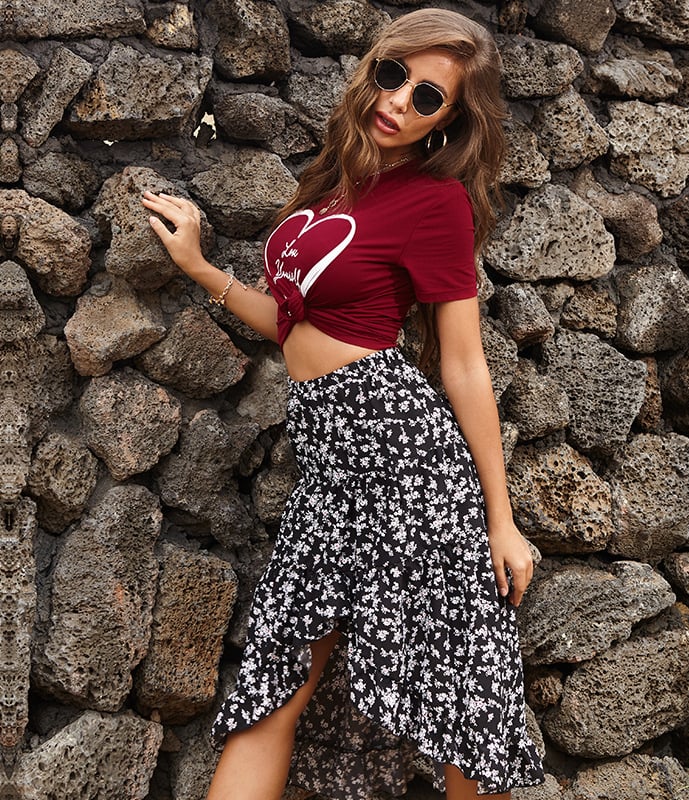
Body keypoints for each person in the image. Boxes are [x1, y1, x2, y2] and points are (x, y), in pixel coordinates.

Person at [142, 8, 544, 800]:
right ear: (372, 71)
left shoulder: (436, 202)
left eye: (428, 97)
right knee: (269, 687)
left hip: (407, 467)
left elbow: (463, 364)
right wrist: (200, 269)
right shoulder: (335, 182)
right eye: (393, 76)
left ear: (450, 120)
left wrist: (501, 518)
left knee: (467, 704)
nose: (399, 101)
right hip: (331, 477)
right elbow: (297, 323)